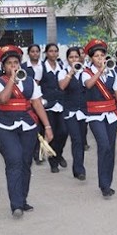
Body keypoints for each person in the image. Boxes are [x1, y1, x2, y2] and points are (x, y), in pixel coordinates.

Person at [0, 45, 53, 218]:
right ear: (4, 66)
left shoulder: (29, 80)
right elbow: (2, 100)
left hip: (27, 125)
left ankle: (22, 199)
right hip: (4, 126)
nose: (13, 66)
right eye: (9, 63)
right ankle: (16, 205)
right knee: (14, 160)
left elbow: (37, 103)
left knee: (26, 162)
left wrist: (47, 126)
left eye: (16, 63)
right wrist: (11, 79)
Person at [81, 39, 117, 198]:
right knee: (103, 145)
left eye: (102, 55)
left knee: (110, 149)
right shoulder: (86, 72)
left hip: (111, 115)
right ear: (91, 58)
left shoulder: (112, 72)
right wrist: (100, 71)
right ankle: (103, 183)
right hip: (95, 115)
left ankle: (106, 184)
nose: (99, 58)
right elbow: (89, 85)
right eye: (96, 56)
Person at [58, 47, 87, 180]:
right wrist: (71, 73)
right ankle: (79, 169)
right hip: (70, 111)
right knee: (76, 139)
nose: (74, 59)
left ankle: (78, 167)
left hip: (84, 111)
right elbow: (62, 86)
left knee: (81, 140)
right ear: (67, 59)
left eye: (76, 57)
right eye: (71, 57)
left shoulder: (86, 72)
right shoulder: (62, 72)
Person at [39, 43, 69, 173]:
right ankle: (53, 163)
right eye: (51, 51)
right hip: (48, 105)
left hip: (61, 103)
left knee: (63, 131)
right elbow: (36, 84)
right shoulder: (41, 67)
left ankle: (58, 153)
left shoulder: (62, 66)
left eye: (56, 51)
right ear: (46, 53)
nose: (53, 53)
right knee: (52, 133)